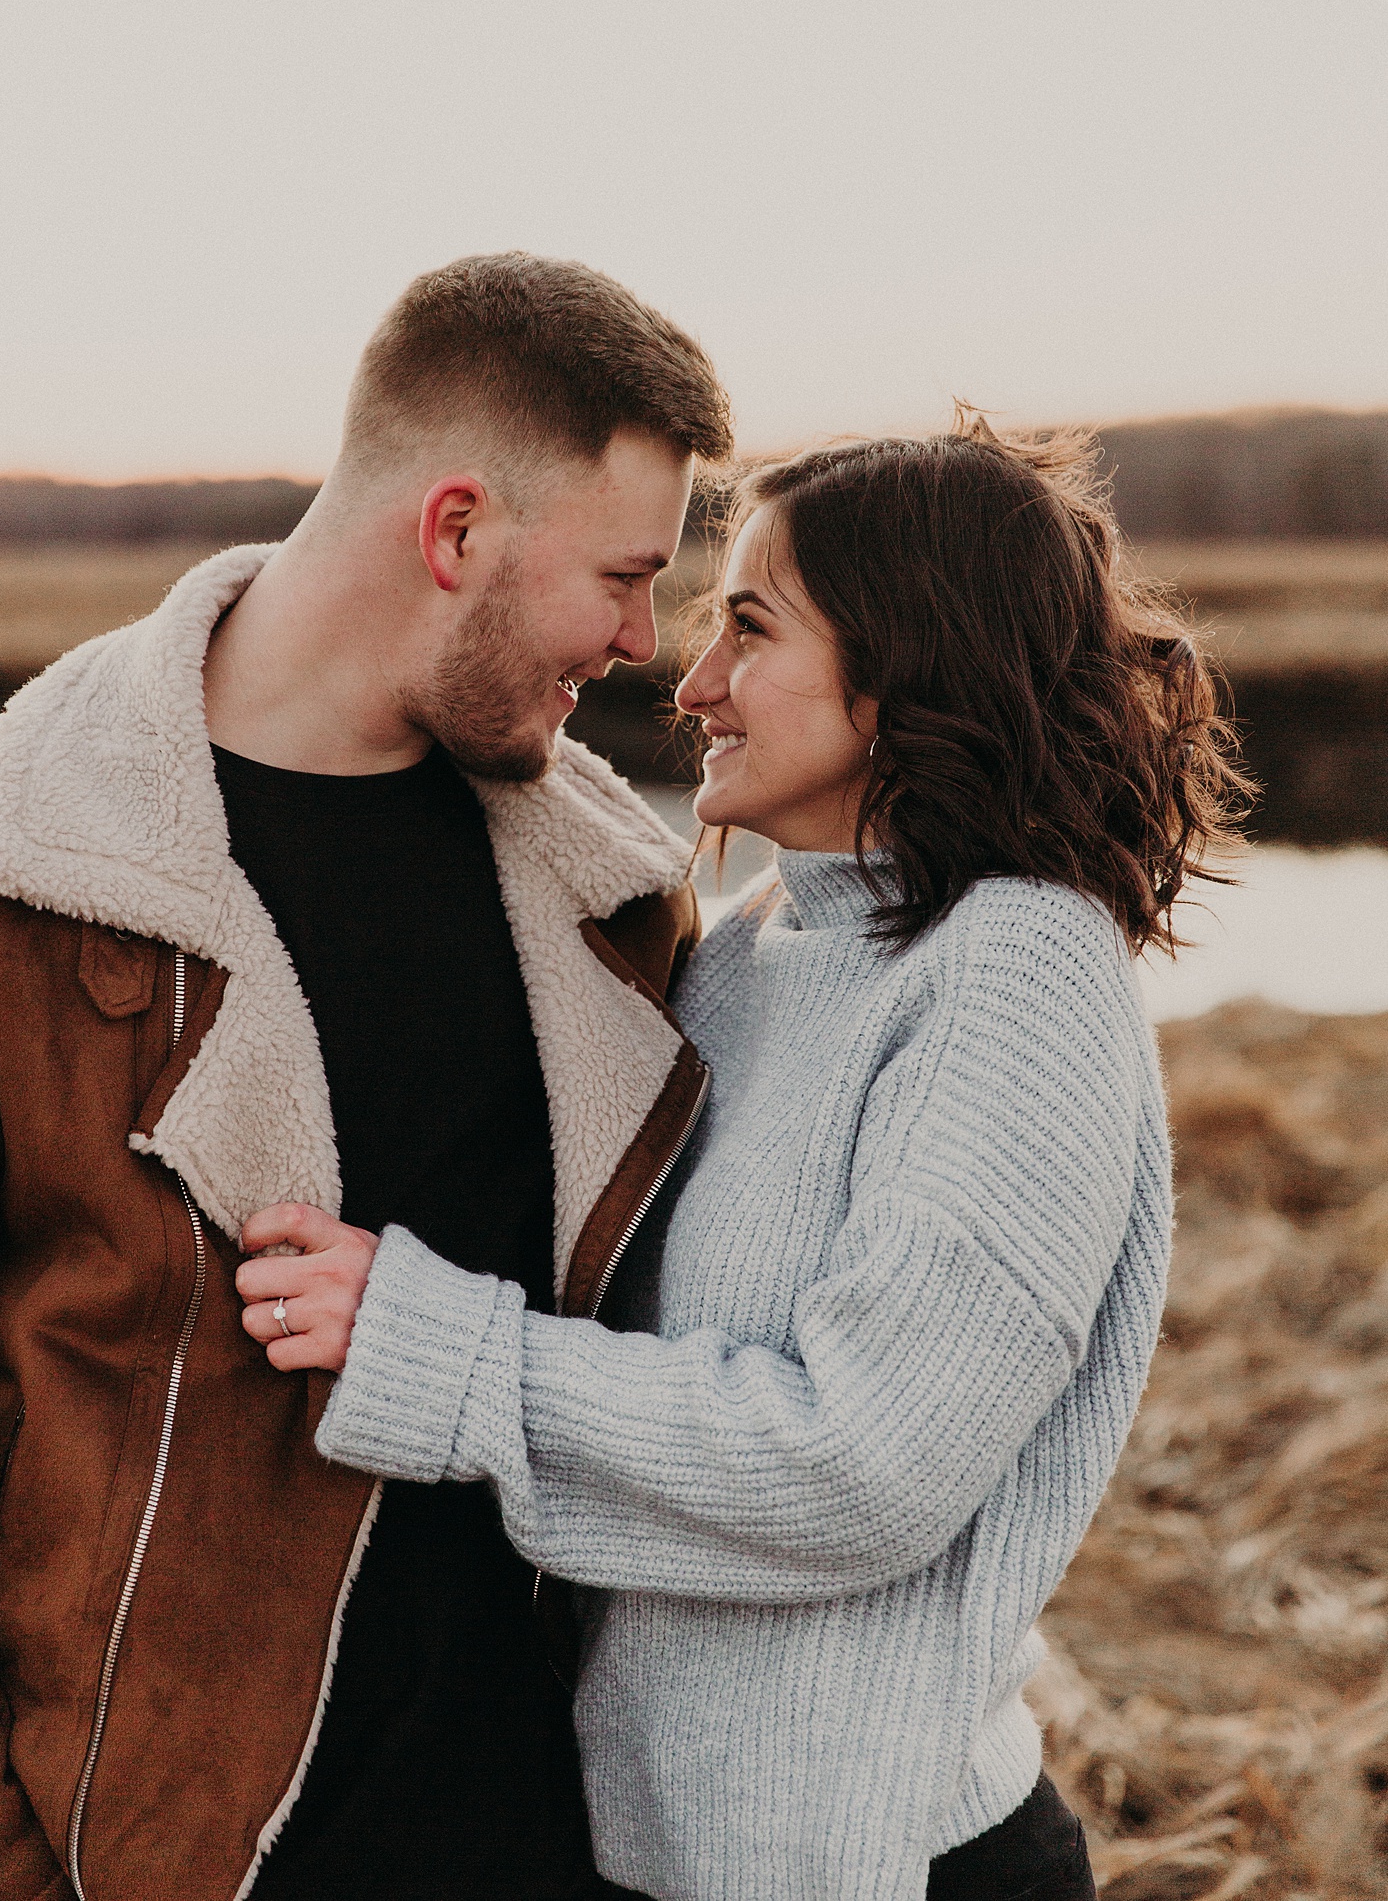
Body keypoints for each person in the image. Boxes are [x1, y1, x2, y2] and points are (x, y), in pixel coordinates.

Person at [244, 418, 1249, 1901]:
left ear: (910, 662)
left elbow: (867, 1460)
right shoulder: (757, 949)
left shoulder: (1020, 969)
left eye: (751, 629)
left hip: (881, 1863)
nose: (694, 681)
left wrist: (440, 1351)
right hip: (645, 1851)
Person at [0, 252, 731, 1901]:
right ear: (456, 529)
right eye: (624, 577)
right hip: (139, 1857)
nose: (644, 640)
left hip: (548, 1846)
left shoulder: (615, 905)